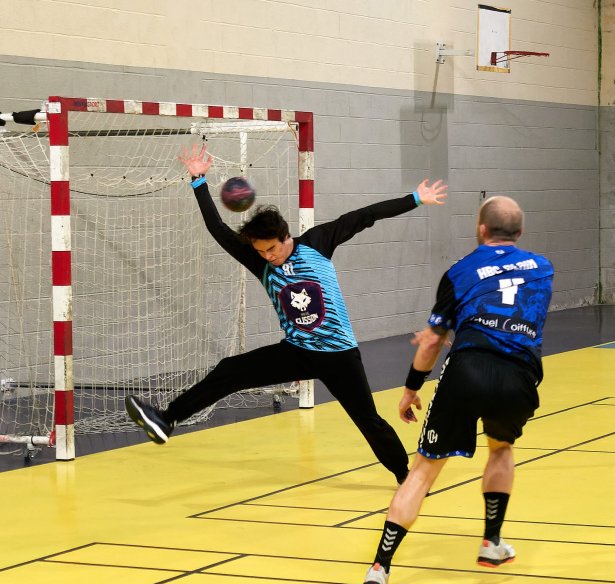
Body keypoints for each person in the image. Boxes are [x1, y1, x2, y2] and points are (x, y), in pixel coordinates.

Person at [125, 144, 447, 485]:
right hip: (296, 351)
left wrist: (415, 198)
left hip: (339, 355)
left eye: (272, 249)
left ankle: (406, 478)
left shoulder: (318, 242)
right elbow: (218, 230)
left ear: (285, 237)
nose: (268, 256)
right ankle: (167, 420)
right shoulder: (259, 260)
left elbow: (364, 216)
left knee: (368, 420)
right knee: (230, 371)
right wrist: (198, 181)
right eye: (260, 251)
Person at [360, 195, 554, 584]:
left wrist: (412, 386)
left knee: (423, 471)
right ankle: (491, 542)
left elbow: (433, 340)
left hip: (468, 369)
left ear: (481, 229)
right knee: (501, 447)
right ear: (519, 232)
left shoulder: (459, 271)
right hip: (519, 375)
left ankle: (380, 568)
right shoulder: (543, 267)